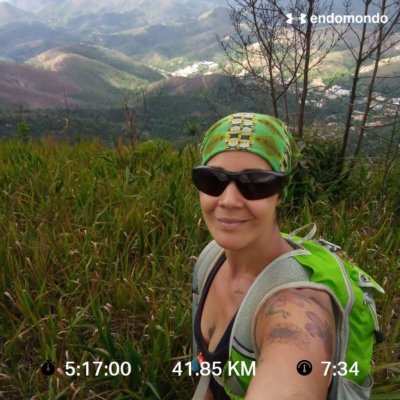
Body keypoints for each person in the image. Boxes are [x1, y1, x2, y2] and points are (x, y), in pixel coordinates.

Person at [190, 112, 338, 399]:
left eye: (255, 183)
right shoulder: (210, 259)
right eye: (212, 180)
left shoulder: (297, 308)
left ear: (280, 194)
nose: (229, 201)